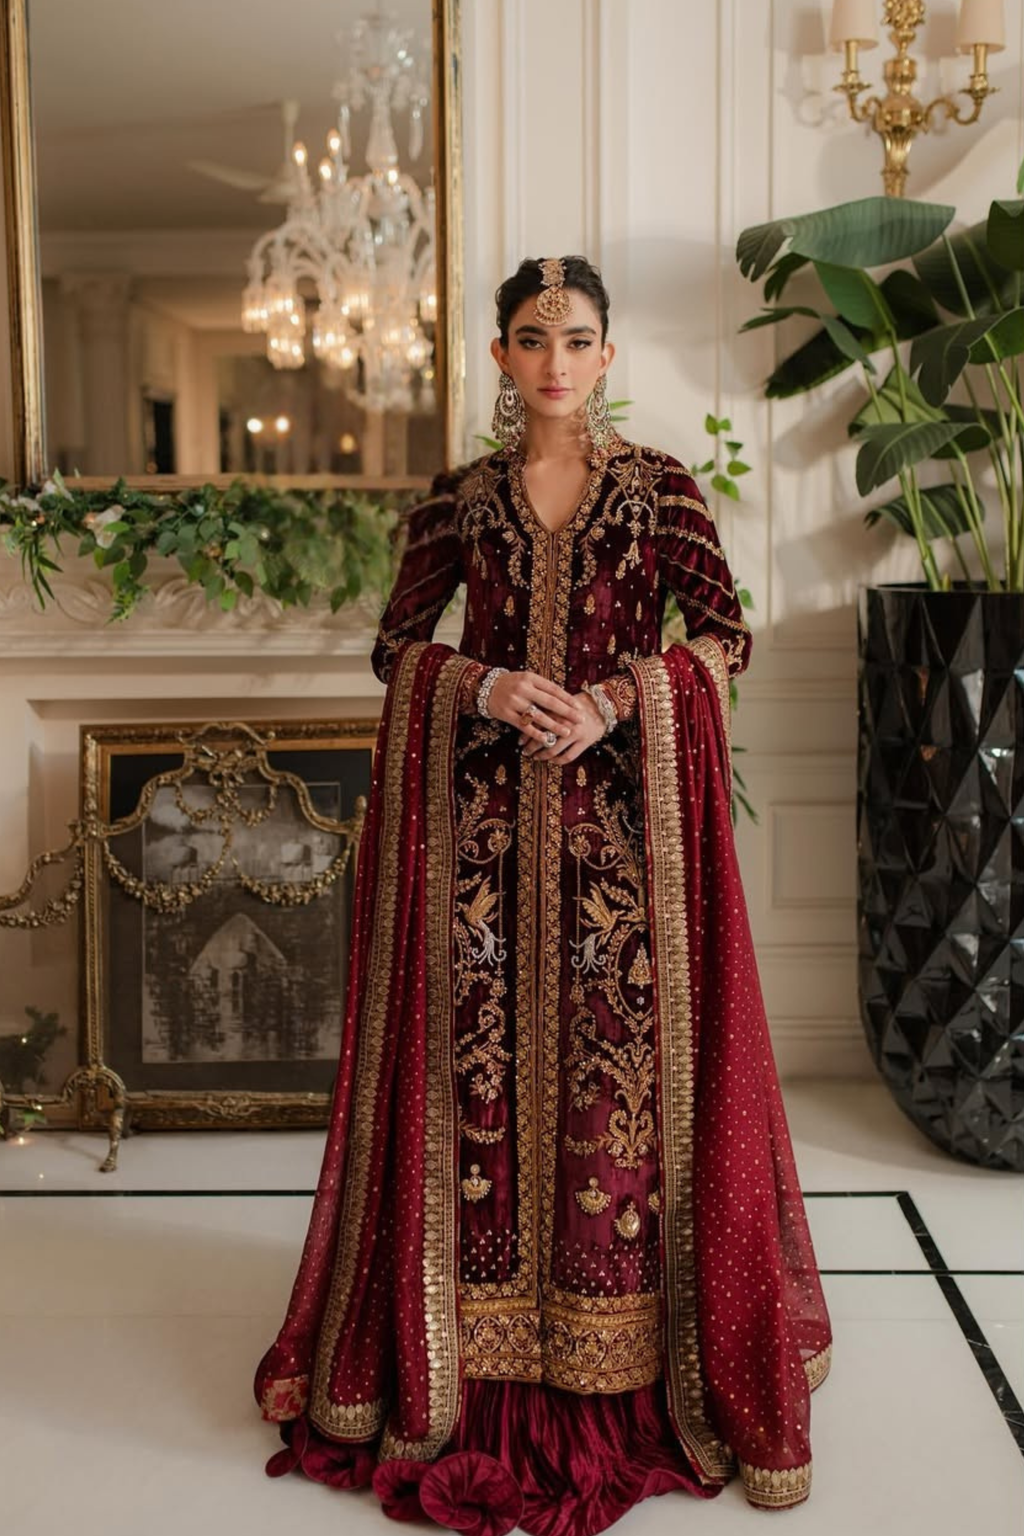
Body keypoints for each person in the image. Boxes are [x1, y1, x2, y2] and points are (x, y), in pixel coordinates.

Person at [254, 256, 832, 1534]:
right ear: (503, 359)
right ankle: (481, 1361)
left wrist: (624, 699)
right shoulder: (462, 503)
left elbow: (722, 634)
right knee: (482, 1093)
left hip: (621, 845)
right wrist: (483, 686)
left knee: (608, 1094)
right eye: (531, 337)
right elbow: (397, 645)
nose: (556, 358)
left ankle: (615, 1374)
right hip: (479, 847)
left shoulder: (660, 490)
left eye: (577, 337)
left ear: (609, 354)